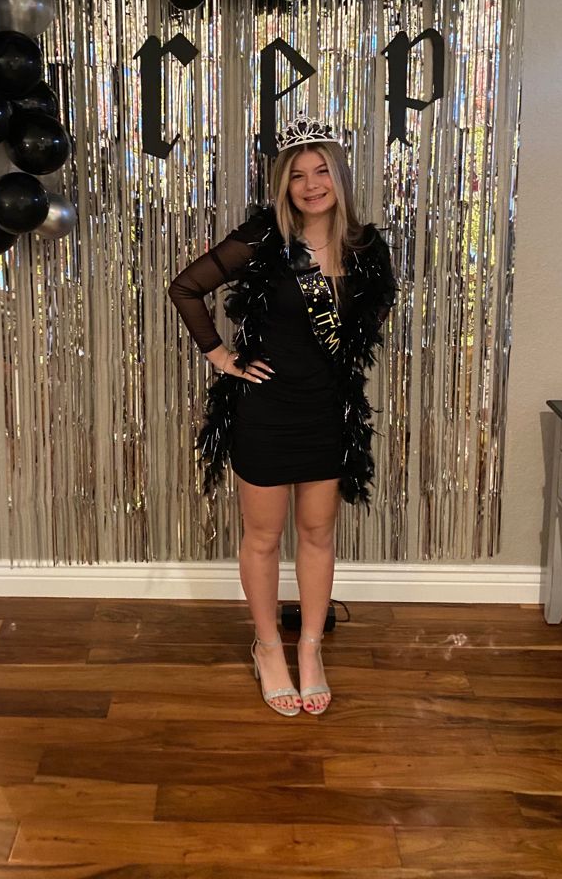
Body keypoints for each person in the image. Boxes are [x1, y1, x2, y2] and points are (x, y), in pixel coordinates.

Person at [168, 112, 397, 717]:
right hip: (265, 409)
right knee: (265, 537)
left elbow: (371, 318)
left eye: (322, 171)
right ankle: (268, 646)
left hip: (326, 412)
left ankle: (312, 648)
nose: (312, 184)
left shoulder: (368, 248)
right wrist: (221, 355)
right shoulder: (262, 238)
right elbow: (185, 288)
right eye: (298, 175)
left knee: (319, 535)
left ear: (339, 177)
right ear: (284, 186)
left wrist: (341, 366)